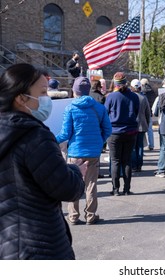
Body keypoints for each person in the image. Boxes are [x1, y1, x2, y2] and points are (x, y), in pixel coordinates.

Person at [0, 63, 85, 259]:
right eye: (43, 92)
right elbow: (67, 188)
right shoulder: (34, 136)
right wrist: (75, 171)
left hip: (8, 243)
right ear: (21, 98)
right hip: (39, 245)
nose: (47, 98)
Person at [56, 77, 112, 225]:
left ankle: (73, 216)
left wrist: (49, 139)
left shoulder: (70, 108)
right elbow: (108, 129)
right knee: (91, 185)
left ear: (74, 91)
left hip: (75, 151)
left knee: (74, 183)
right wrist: (99, 141)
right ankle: (91, 216)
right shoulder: (99, 107)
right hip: (93, 152)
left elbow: (65, 134)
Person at [105, 72, 139, 195]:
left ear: (115, 83)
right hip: (130, 131)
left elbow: (105, 113)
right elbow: (136, 112)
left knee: (115, 161)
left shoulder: (111, 97)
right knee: (127, 161)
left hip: (114, 132)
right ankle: (126, 189)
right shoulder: (134, 96)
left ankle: (115, 189)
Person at [131, 79, 151, 172]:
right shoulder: (144, 98)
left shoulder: (130, 97)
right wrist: (147, 123)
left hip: (132, 125)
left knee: (133, 147)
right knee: (140, 146)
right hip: (142, 125)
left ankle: (134, 165)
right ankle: (139, 165)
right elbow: (148, 112)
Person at [141, 78, 157, 150]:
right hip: (150, 111)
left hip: (143, 112)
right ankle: (151, 145)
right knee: (150, 130)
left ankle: (142, 145)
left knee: (142, 129)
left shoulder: (142, 91)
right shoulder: (152, 91)